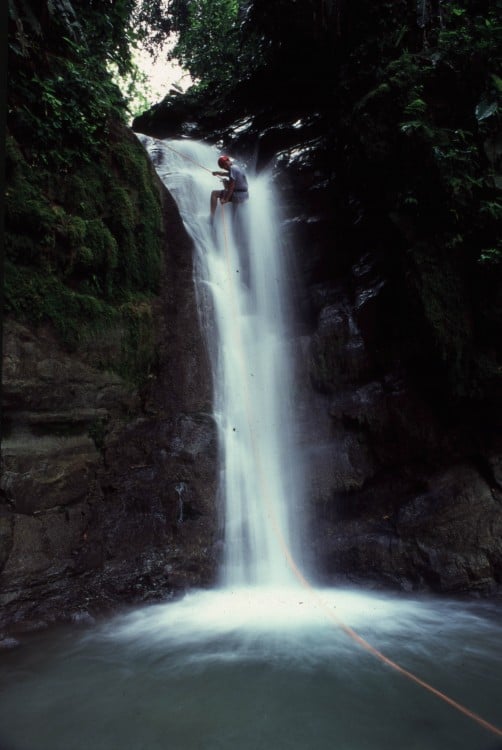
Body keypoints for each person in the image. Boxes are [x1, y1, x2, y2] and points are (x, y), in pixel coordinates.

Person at [210, 155, 249, 219]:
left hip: (238, 195)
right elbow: (224, 174)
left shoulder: (232, 169)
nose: (225, 167)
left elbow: (231, 187)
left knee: (214, 193)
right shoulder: (236, 168)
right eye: (223, 166)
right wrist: (216, 173)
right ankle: (234, 221)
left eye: (224, 165)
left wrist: (225, 199)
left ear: (228, 161)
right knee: (234, 212)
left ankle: (212, 217)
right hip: (244, 195)